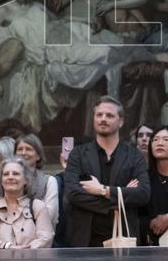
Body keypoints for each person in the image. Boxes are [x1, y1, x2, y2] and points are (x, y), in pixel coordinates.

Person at [63, 96, 150, 247]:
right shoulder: (78, 154)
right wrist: (119, 200)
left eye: (109, 115)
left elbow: (143, 194)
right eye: (99, 115)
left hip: (124, 239)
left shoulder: (134, 156)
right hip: (84, 240)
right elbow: (73, 193)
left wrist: (103, 190)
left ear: (121, 121)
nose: (103, 119)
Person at [0, 157, 54, 249]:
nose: (10, 177)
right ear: (1, 181)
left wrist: (26, 250)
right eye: (6, 174)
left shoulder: (38, 207)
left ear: (26, 180)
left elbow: (46, 238)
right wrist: (8, 246)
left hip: (31, 257)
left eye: (16, 174)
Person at [15, 134, 60, 227]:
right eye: (19, 149)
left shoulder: (49, 182)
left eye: (28, 149)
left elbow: (49, 217)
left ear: (38, 156)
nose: (23, 153)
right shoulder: (6, 180)